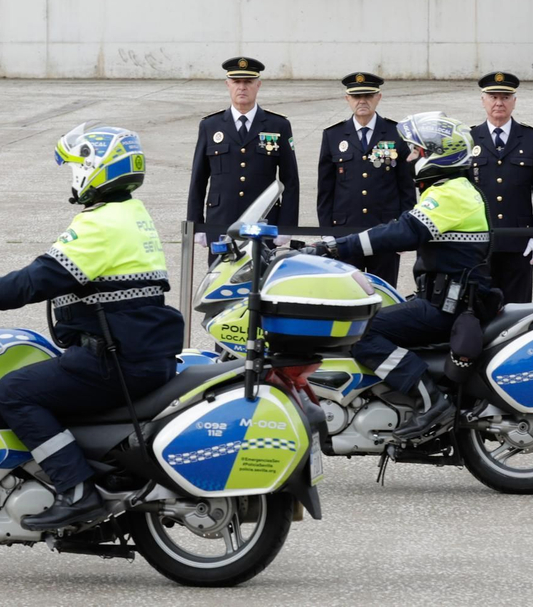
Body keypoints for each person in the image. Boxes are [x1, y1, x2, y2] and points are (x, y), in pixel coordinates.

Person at [0, 123, 182, 529]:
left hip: (115, 358)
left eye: (77, 165)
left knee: (14, 392)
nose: (74, 175)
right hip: (137, 351)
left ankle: (77, 491)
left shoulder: (101, 223)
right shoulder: (132, 214)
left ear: (97, 168)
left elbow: (35, 280)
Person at [319, 113, 493, 440]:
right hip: (444, 298)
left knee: (360, 332)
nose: (410, 157)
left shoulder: (453, 192)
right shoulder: (450, 189)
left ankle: (431, 401)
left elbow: (403, 231)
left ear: (436, 154)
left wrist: (334, 248)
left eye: (416, 151)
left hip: (447, 305)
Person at [188, 57, 300, 254]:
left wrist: (286, 225)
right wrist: (196, 224)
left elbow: (290, 180)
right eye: (236, 82)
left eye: (248, 82)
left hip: (263, 221)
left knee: (261, 279)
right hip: (220, 221)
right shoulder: (210, 126)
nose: (242, 87)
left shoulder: (278, 126)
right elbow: (198, 179)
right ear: (227, 84)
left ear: (258, 85)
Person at [316, 72, 416, 288]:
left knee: (384, 291)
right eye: (356, 96)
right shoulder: (333, 135)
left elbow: (406, 187)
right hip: (345, 232)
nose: (362, 101)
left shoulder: (395, 133)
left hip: (385, 230)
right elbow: (325, 189)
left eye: (368, 96)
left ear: (378, 97)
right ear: (347, 99)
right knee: (348, 293)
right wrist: (326, 231)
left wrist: (406, 230)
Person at [469, 72, 533, 303]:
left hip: (519, 241)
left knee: (517, 308)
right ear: (483, 100)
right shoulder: (468, 138)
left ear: (514, 101)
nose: (499, 103)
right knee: (479, 308)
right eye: (493, 97)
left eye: (505, 97)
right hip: (479, 241)